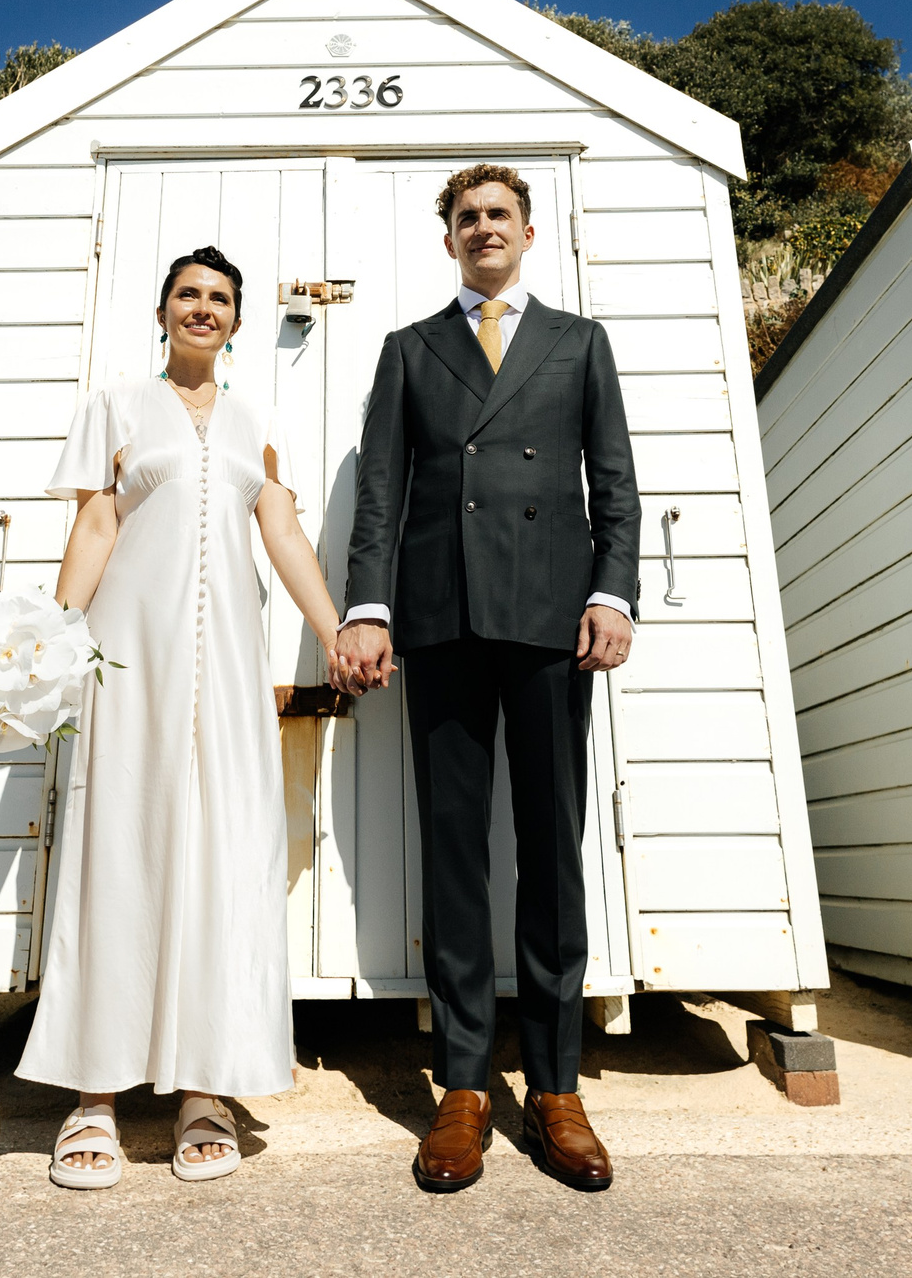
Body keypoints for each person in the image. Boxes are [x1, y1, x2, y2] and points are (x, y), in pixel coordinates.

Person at [332, 164, 639, 1194]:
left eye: (497, 214)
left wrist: (614, 593)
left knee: (552, 849)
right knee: (455, 853)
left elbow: (617, 484)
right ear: (449, 239)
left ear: (527, 230)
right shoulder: (408, 349)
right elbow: (381, 486)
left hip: (554, 617)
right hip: (442, 614)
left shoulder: (579, 341)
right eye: (465, 217)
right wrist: (366, 606)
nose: (481, 228)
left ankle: (556, 1083)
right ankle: (462, 1083)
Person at [22, 244, 347, 1189]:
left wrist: (332, 630)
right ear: (163, 312)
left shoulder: (253, 424)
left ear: (239, 323)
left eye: (220, 299)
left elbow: (280, 529)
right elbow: (94, 526)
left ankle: (206, 1087)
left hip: (231, 675)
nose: (203, 309)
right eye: (188, 295)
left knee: (222, 860)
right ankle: (93, 1096)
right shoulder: (117, 408)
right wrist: (49, 642)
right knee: (119, 852)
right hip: (131, 663)